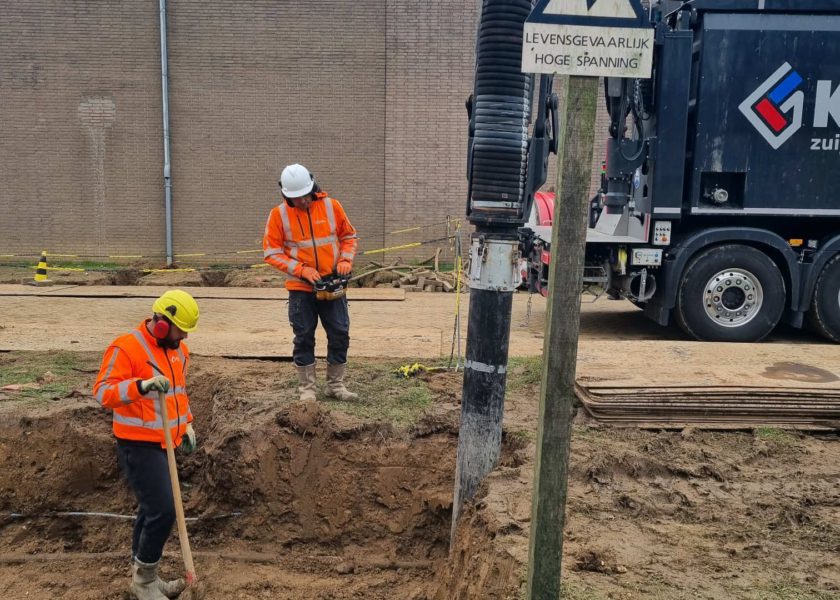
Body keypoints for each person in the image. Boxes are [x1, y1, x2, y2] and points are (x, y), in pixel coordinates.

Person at [93, 289, 200, 600]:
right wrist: (141, 386)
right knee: (163, 510)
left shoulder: (179, 351)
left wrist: (188, 423)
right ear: (162, 323)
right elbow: (103, 391)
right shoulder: (127, 347)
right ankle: (143, 585)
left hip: (166, 441)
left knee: (151, 509)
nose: (182, 339)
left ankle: (145, 579)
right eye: (179, 331)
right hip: (137, 444)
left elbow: (178, 393)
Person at [263, 163, 359, 402]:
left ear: (313, 188)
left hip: (332, 283)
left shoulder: (331, 206)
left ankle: (335, 385)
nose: (303, 201)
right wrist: (301, 270)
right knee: (304, 335)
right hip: (301, 288)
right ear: (286, 195)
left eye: (305, 196)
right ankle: (307, 389)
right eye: (297, 198)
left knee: (339, 332)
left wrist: (346, 260)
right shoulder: (279, 215)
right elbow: (271, 252)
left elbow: (349, 236)